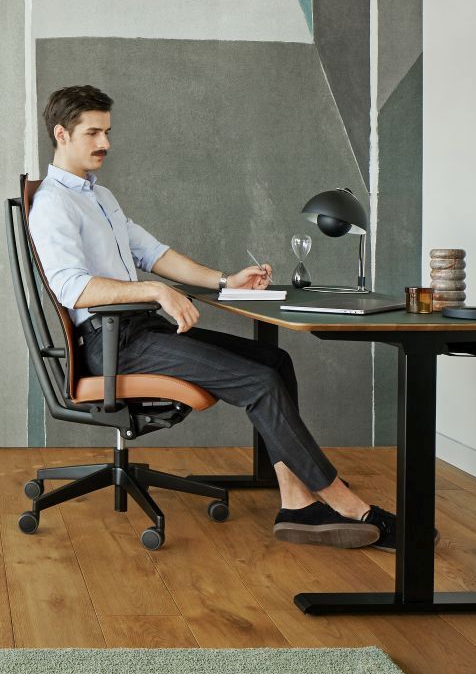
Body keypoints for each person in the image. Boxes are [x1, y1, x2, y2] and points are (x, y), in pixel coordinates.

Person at [28, 84, 411, 550]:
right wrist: (154, 291)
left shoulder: (100, 197)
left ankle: (296, 503)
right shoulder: (53, 203)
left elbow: (155, 253)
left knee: (275, 364)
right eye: (93, 133)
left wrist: (225, 280)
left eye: (108, 131)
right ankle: (346, 503)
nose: (105, 143)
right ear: (61, 134)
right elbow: (72, 287)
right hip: (112, 346)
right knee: (259, 383)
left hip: (141, 331)